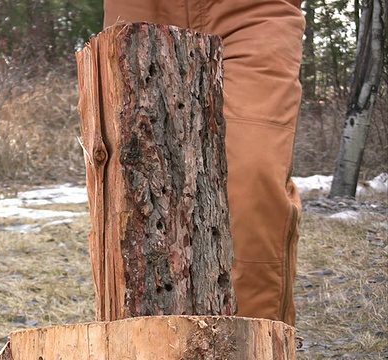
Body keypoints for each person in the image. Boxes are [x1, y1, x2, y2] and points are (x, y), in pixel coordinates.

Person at [103, 0, 305, 326]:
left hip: (253, 11)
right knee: (135, 195)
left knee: (253, 181)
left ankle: (250, 346)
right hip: (142, 8)